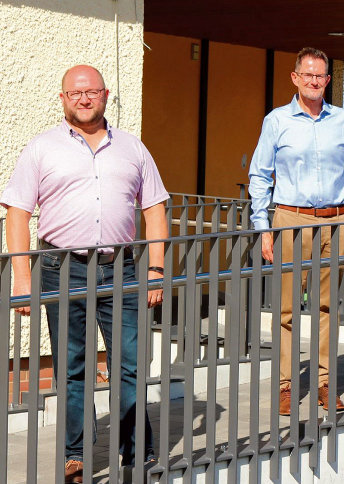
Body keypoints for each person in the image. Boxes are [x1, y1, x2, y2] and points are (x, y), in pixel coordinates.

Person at [1, 65, 168, 482]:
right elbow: (18, 214)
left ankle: (135, 451)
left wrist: (157, 267)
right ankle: (75, 454)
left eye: (91, 91)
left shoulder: (133, 148)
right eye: (75, 93)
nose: (84, 99)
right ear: (62, 99)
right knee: (71, 365)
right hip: (62, 270)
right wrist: (22, 277)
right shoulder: (41, 149)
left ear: (106, 94)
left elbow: (156, 210)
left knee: (129, 362)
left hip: (123, 270)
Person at [248, 47, 344, 416]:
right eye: (309, 75)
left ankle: (322, 383)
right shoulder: (277, 121)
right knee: (286, 310)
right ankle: (286, 385)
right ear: (296, 78)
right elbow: (259, 176)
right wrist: (262, 228)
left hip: (338, 221)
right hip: (291, 219)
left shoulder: (343, 120)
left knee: (327, 308)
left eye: (321, 76)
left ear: (328, 80)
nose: (315, 81)